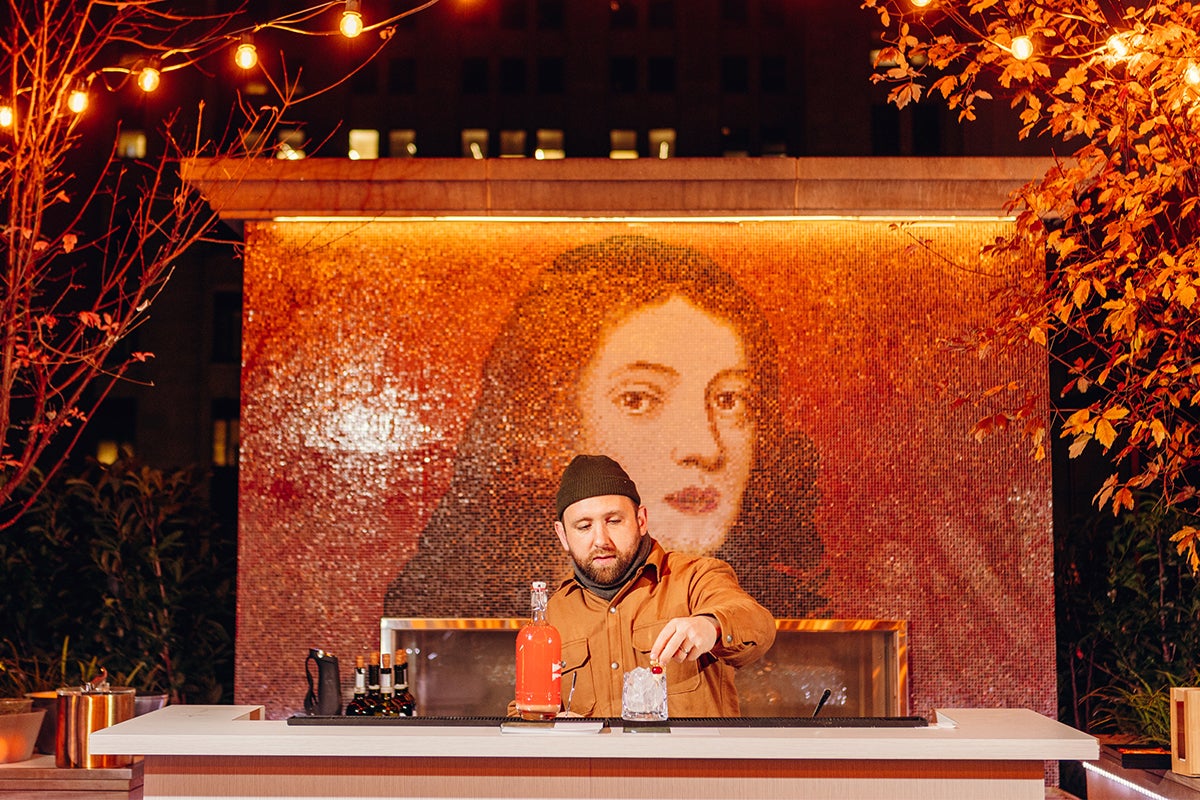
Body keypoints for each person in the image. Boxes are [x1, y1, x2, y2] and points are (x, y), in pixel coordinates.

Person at [384, 234, 824, 619]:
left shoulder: (728, 594)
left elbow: (752, 626)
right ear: (552, 423)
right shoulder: (514, 616)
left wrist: (711, 625)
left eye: (730, 400)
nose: (705, 448)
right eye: (639, 399)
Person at [547, 454, 776, 718]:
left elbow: (759, 625)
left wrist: (710, 625)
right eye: (584, 526)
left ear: (641, 520)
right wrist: (547, 726)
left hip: (693, 760)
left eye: (613, 521)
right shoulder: (555, 613)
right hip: (596, 761)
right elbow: (529, 708)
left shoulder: (694, 577)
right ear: (563, 535)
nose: (601, 540)